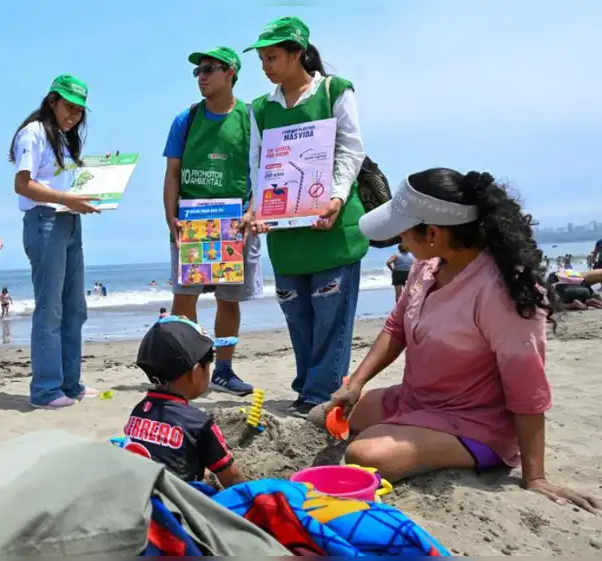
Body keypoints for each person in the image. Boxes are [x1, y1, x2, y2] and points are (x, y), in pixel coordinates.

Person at [324, 168, 597, 512]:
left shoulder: (499, 292)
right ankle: (408, 429)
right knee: (334, 412)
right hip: (419, 399)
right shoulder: (427, 267)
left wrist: (535, 477)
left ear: (434, 233)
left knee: (363, 453)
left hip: (476, 422)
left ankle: (464, 452)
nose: (400, 242)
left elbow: (528, 389)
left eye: (404, 233)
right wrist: (356, 383)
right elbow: (396, 328)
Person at [247, 17, 369, 416]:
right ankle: (308, 389)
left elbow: (351, 151)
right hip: (285, 232)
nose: (266, 65)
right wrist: (256, 207)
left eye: (274, 57)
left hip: (331, 227)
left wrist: (334, 198)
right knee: (298, 314)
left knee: (331, 317)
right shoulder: (261, 108)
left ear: (297, 54)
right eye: (262, 58)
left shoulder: (334, 90)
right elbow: (258, 165)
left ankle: (319, 395)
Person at [164, 46, 261, 398]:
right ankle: (179, 369)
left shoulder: (250, 118)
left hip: (235, 221)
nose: (201, 76)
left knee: (228, 300)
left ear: (230, 73)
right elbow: (172, 172)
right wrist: (170, 216)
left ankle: (223, 369)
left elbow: (262, 174)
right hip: (191, 220)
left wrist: (253, 212)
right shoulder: (186, 119)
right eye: (197, 71)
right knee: (184, 298)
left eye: (208, 69)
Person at [10, 74, 100, 410]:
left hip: (69, 221)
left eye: (79, 111)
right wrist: (65, 197)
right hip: (44, 221)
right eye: (68, 107)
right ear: (52, 101)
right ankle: (45, 390)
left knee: (75, 307)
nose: (73, 115)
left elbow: (67, 187)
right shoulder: (33, 133)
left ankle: (70, 383)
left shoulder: (66, 139)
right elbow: (22, 184)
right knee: (50, 309)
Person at [126, 316, 245, 487]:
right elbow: (233, 480)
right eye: (208, 365)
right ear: (196, 371)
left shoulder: (139, 411)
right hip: (176, 508)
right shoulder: (198, 423)